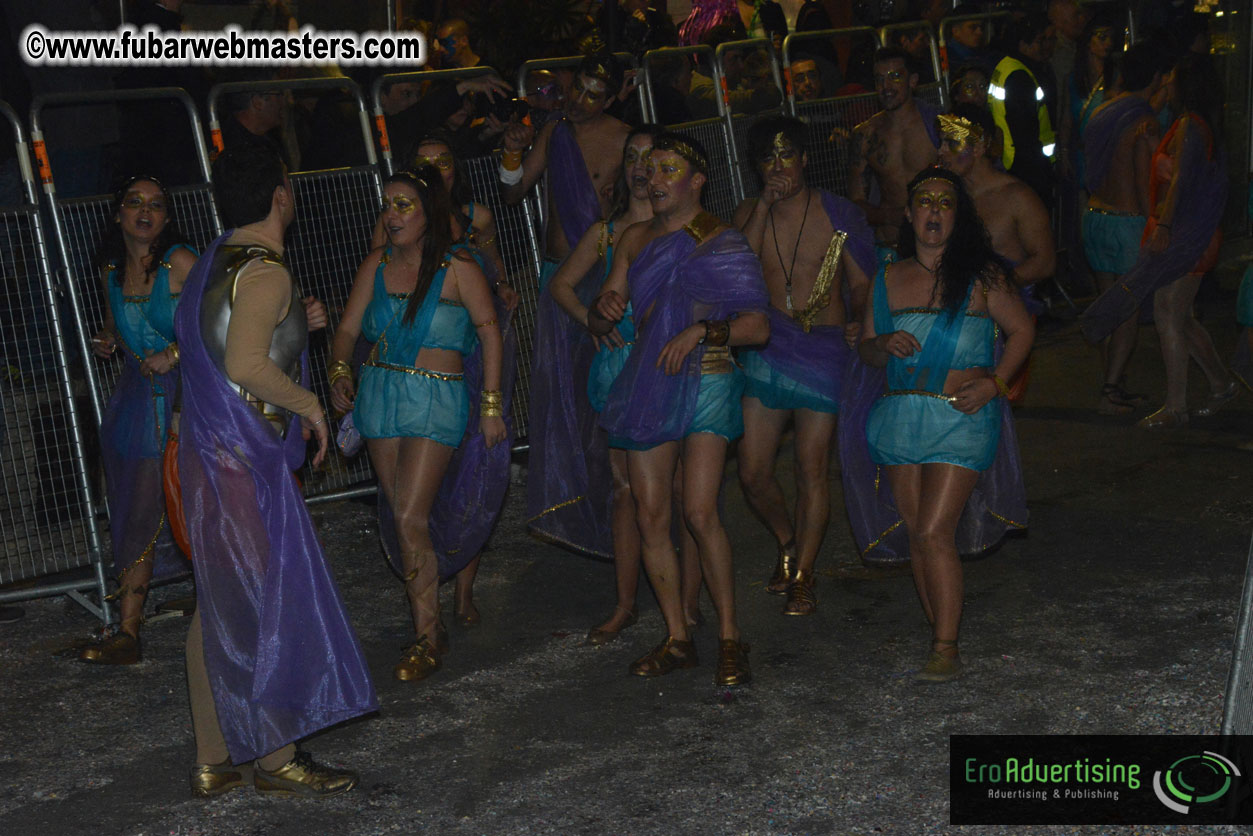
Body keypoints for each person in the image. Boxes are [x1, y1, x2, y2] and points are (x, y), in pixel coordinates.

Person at [176, 144, 375, 798]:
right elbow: (244, 366)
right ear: (282, 195)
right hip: (238, 462)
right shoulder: (265, 272)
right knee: (265, 603)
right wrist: (313, 405)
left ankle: (213, 759)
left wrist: (301, 327)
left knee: (221, 604)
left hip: (208, 453)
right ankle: (276, 758)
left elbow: (232, 338)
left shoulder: (212, 259)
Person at [589, 133, 770, 685]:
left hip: (709, 378)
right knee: (649, 514)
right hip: (650, 380)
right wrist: (604, 309)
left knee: (698, 511)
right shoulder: (634, 240)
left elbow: (757, 327)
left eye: (670, 169)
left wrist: (700, 330)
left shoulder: (723, 240)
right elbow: (605, 319)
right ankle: (677, 637)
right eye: (651, 168)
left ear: (698, 180)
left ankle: (731, 637)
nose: (656, 178)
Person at [856, 166, 1033, 681]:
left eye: (945, 202)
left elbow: (1022, 332)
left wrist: (996, 384)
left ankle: (945, 645)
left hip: (962, 414)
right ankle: (941, 624)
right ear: (909, 215)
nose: (934, 210)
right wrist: (880, 344)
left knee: (935, 530)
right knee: (917, 533)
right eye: (924, 202)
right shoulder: (886, 279)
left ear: (959, 216)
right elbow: (867, 350)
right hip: (900, 416)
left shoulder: (983, 275)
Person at [330, 167, 507, 681]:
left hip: (436, 397)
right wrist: (340, 372)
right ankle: (428, 623)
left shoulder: (458, 266)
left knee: (409, 515)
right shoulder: (375, 265)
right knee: (405, 516)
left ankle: (426, 639)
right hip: (380, 395)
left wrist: (492, 406)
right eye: (387, 204)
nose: (392, 214)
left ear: (430, 211)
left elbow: (490, 335)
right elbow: (345, 331)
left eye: (404, 204)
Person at [538, 125, 704, 644]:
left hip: (676, 366)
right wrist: (591, 319)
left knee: (682, 493)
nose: (639, 168)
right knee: (626, 492)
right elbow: (559, 284)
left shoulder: (684, 229)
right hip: (618, 372)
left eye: (650, 160)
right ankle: (627, 604)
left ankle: (690, 605)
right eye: (631, 157)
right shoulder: (607, 235)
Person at [732, 116, 874, 616]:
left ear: (806, 158)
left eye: (787, 155)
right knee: (751, 471)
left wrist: (860, 319)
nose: (779, 167)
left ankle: (806, 573)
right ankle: (789, 542)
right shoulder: (751, 211)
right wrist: (764, 207)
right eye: (768, 159)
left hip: (825, 349)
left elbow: (861, 282)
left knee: (811, 467)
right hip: (767, 347)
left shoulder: (839, 214)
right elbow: (735, 270)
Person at [78, 176, 197, 665]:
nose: (145, 212)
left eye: (156, 205)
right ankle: (128, 628)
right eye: (134, 203)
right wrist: (105, 340)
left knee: (191, 502)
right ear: (118, 214)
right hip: (133, 400)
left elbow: (222, 322)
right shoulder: (110, 272)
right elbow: (116, 326)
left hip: (187, 396)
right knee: (134, 505)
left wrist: (172, 351)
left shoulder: (181, 262)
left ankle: (216, 599)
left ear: (167, 218)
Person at [1082, 54, 1233, 427]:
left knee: (1167, 312)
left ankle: (1176, 406)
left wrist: (1164, 227)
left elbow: (1179, 181)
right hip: (1191, 232)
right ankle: (1220, 384)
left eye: (1173, 81)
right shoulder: (1199, 125)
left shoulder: (1190, 127)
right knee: (1180, 316)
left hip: (1186, 235)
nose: (1167, 86)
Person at [1078, 44, 1161, 415]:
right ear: (1157, 77)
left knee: (1107, 304)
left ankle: (1111, 382)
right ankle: (1110, 391)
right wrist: (1157, 226)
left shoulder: (1101, 109)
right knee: (1126, 310)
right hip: (1127, 222)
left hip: (1095, 216)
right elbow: (1145, 184)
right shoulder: (1143, 120)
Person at [501, 53, 631, 278]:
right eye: (577, 88)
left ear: (608, 102)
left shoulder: (626, 140)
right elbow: (512, 194)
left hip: (602, 269)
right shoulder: (553, 132)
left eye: (592, 96)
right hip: (556, 267)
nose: (578, 101)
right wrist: (512, 153)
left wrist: (623, 193)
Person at [938, 107, 1055, 289]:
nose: (941, 151)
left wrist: (990, 291)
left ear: (978, 147)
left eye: (951, 143)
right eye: (941, 142)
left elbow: (1044, 263)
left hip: (1007, 304)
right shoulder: (948, 195)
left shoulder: (1017, 197)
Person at [849, 47, 940, 256]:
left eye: (895, 77)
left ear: (913, 80)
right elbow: (856, 202)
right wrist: (891, 216)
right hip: (890, 244)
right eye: (879, 79)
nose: (886, 87)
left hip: (936, 241)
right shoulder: (865, 135)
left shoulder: (937, 127)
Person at [987, 15, 1056, 207]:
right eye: (1039, 41)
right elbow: (1026, 130)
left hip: (1010, 160)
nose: (1045, 47)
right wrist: (1041, 169)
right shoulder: (1020, 76)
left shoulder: (1006, 66)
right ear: (1023, 45)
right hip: (1025, 167)